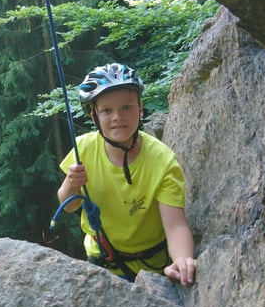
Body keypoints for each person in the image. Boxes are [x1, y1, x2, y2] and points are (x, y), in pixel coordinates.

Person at [57, 62, 197, 284]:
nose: (117, 117)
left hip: (151, 265)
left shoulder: (162, 161)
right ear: (94, 116)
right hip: (102, 259)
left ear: (140, 108)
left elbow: (175, 225)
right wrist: (71, 185)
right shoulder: (83, 150)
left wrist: (182, 259)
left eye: (126, 107)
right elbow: (70, 205)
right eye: (107, 110)